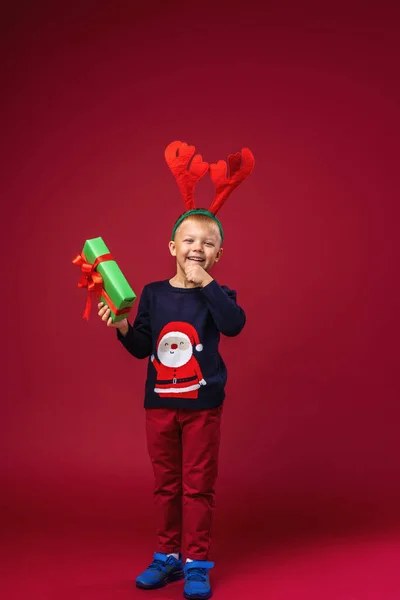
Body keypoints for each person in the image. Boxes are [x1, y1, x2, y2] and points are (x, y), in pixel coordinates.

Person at [98, 141, 254, 600]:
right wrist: (124, 323)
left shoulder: (220, 294)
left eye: (208, 244)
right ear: (172, 247)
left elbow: (235, 326)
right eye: (189, 240)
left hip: (203, 406)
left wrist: (207, 285)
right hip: (160, 406)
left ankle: (197, 562)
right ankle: (167, 556)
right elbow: (142, 347)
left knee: (197, 486)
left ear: (219, 254)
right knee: (166, 486)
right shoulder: (151, 293)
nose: (197, 248)